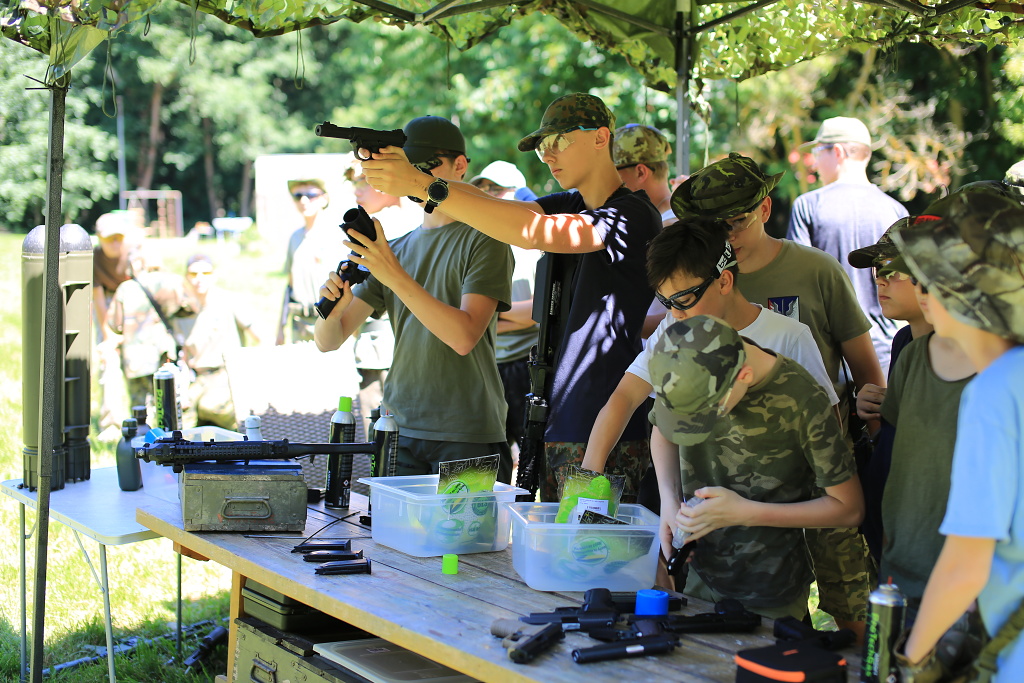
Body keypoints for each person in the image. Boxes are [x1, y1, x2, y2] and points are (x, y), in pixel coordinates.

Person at [361, 92, 660, 503]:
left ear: (600, 137)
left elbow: (532, 230)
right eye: (542, 148)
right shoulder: (572, 203)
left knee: (597, 557)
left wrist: (419, 182)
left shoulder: (632, 214)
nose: (549, 155)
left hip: (607, 423)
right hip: (563, 418)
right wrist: (420, 181)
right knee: (562, 555)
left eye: (558, 142)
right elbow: (495, 209)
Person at [672, 152, 883, 635]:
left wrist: (874, 434)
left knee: (852, 610)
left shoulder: (816, 270)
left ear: (765, 209)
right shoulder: (702, 283)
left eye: (737, 221)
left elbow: (867, 373)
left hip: (822, 468)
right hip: (739, 478)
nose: (726, 235)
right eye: (711, 225)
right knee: (750, 620)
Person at [315, 115, 515, 482]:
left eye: (428, 167)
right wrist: (331, 309)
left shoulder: (485, 239)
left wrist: (393, 273)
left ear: (461, 165)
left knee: (469, 542)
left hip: (466, 432)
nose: (418, 179)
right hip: (398, 429)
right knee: (390, 540)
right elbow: (329, 341)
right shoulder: (397, 250)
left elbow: (463, 336)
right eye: (410, 168)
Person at [583, 217, 839, 476]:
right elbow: (625, 397)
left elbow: (829, 430)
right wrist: (588, 473)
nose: (674, 313)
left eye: (684, 300)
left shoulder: (789, 337)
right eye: (665, 300)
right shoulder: (673, 331)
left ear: (724, 281)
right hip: (698, 506)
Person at [650, 315, 863, 620]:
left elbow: (850, 508)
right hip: (700, 573)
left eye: (707, 413)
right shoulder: (686, 366)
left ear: (744, 375)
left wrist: (746, 512)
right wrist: (669, 501)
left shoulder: (804, 400)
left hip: (770, 588)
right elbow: (662, 430)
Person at [893, 191, 1024, 680]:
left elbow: (966, 562)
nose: (919, 288)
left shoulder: (995, 391)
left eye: (930, 275)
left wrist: (907, 663)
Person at [787, 118, 908, 374]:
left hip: (830, 355)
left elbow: (797, 284)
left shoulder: (808, 206)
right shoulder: (896, 210)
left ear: (839, 152)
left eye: (819, 152)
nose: (815, 163)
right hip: (888, 352)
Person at [847, 222, 935, 561]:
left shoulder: (963, 353)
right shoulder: (903, 341)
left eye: (893, 270)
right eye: (878, 269)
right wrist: (875, 412)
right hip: (893, 538)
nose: (880, 279)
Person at [470, 161, 541, 453]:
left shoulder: (534, 245)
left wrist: (489, 313)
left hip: (526, 366)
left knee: (530, 458)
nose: (487, 196)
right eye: (482, 189)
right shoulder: (474, 244)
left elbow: (540, 313)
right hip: (484, 365)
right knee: (488, 459)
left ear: (519, 194)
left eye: (496, 189)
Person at [344, 167, 421, 433]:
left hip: (388, 345)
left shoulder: (392, 223)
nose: (357, 189)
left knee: (382, 436)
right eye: (353, 182)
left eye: (365, 180)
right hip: (375, 338)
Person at [176, 254, 260, 430]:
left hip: (226, 378)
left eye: (205, 273)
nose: (199, 279)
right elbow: (182, 356)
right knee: (181, 435)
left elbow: (262, 337)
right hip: (196, 381)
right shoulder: (181, 312)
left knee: (241, 428)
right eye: (193, 274)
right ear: (186, 277)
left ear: (214, 275)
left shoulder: (229, 301)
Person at [107, 243, 189, 412]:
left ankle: (143, 437)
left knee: (140, 409)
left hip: (135, 359)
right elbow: (188, 307)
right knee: (167, 405)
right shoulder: (168, 281)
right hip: (162, 354)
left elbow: (115, 323)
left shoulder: (125, 288)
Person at [277, 178, 347, 344]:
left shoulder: (337, 237)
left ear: (324, 199)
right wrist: (280, 328)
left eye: (311, 195)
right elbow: (289, 285)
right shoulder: (295, 238)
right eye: (298, 195)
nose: (303, 200)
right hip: (300, 324)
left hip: (330, 319)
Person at [92, 211, 133, 439]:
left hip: (135, 306)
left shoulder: (134, 253)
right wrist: (107, 334)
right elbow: (98, 298)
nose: (116, 243)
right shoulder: (95, 259)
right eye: (110, 239)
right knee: (109, 358)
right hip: (108, 304)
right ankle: (111, 422)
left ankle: (145, 417)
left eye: (119, 237)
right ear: (99, 238)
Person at [612, 124, 675, 225]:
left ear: (640, 173)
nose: (609, 180)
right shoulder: (652, 220)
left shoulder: (670, 228)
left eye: (614, 172)